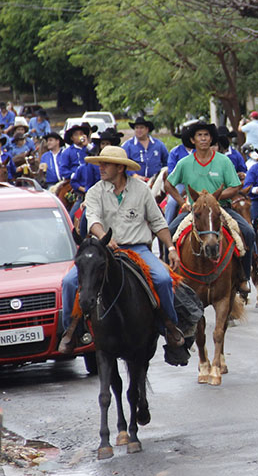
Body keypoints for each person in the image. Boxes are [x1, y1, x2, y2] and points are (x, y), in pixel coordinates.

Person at [59, 145, 182, 352]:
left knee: (163, 278)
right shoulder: (95, 191)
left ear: (120, 168)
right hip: (104, 249)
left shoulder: (141, 190)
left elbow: (158, 223)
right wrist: (103, 238)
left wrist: (170, 248)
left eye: (106, 164)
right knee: (69, 282)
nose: (101, 167)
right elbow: (93, 221)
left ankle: (169, 326)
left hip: (138, 250)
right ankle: (72, 331)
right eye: (101, 163)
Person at [164, 121, 255, 296]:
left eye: (206, 135)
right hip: (195, 212)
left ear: (212, 138)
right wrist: (182, 201)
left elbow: (235, 186)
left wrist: (215, 199)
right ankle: (170, 275)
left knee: (248, 232)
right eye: (199, 135)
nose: (203, 139)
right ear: (193, 139)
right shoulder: (184, 162)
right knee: (169, 233)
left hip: (221, 209)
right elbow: (168, 184)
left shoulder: (223, 161)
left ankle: (244, 276)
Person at [122, 116, 168, 180]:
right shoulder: (128, 145)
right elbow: (123, 163)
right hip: (135, 180)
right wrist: (134, 175)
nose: (139, 130)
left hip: (155, 181)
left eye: (141, 128)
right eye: (136, 128)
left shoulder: (158, 144)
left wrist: (162, 175)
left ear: (147, 129)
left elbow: (166, 161)